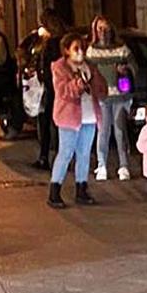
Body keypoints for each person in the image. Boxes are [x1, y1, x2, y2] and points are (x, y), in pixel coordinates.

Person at [47, 33, 107, 208]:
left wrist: (95, 82)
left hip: (89, 116)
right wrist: (78, 83)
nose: (80, 52)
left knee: (84, 153)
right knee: (65, 153)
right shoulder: (59, 68)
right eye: (76, 49)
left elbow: (100, 87)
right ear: (67, 51)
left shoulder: (90, 67)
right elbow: (63, 91)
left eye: (82, 48)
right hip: (69, 118)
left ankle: (81, 188)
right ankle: (55, 190)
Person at [87, 15, 137, 181]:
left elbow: (134, 67)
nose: (103, 32)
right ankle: (102, 165)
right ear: (95, 30)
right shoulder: (91, 51)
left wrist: (126, 70)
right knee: (103, 131)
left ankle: (123, 166)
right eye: (100, 28)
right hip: (102, 97)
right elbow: (87, 73)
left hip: (121, 95)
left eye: (106, 28)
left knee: (120, 131)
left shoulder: (121, 49)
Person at [24, 9, 66, 170]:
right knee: (60, 124)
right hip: (61, 88)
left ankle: (44, 157)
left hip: (50, 88)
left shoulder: (50, 43)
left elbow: (46, 68)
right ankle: (62, 156)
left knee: (46, 122)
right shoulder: (65, 40)